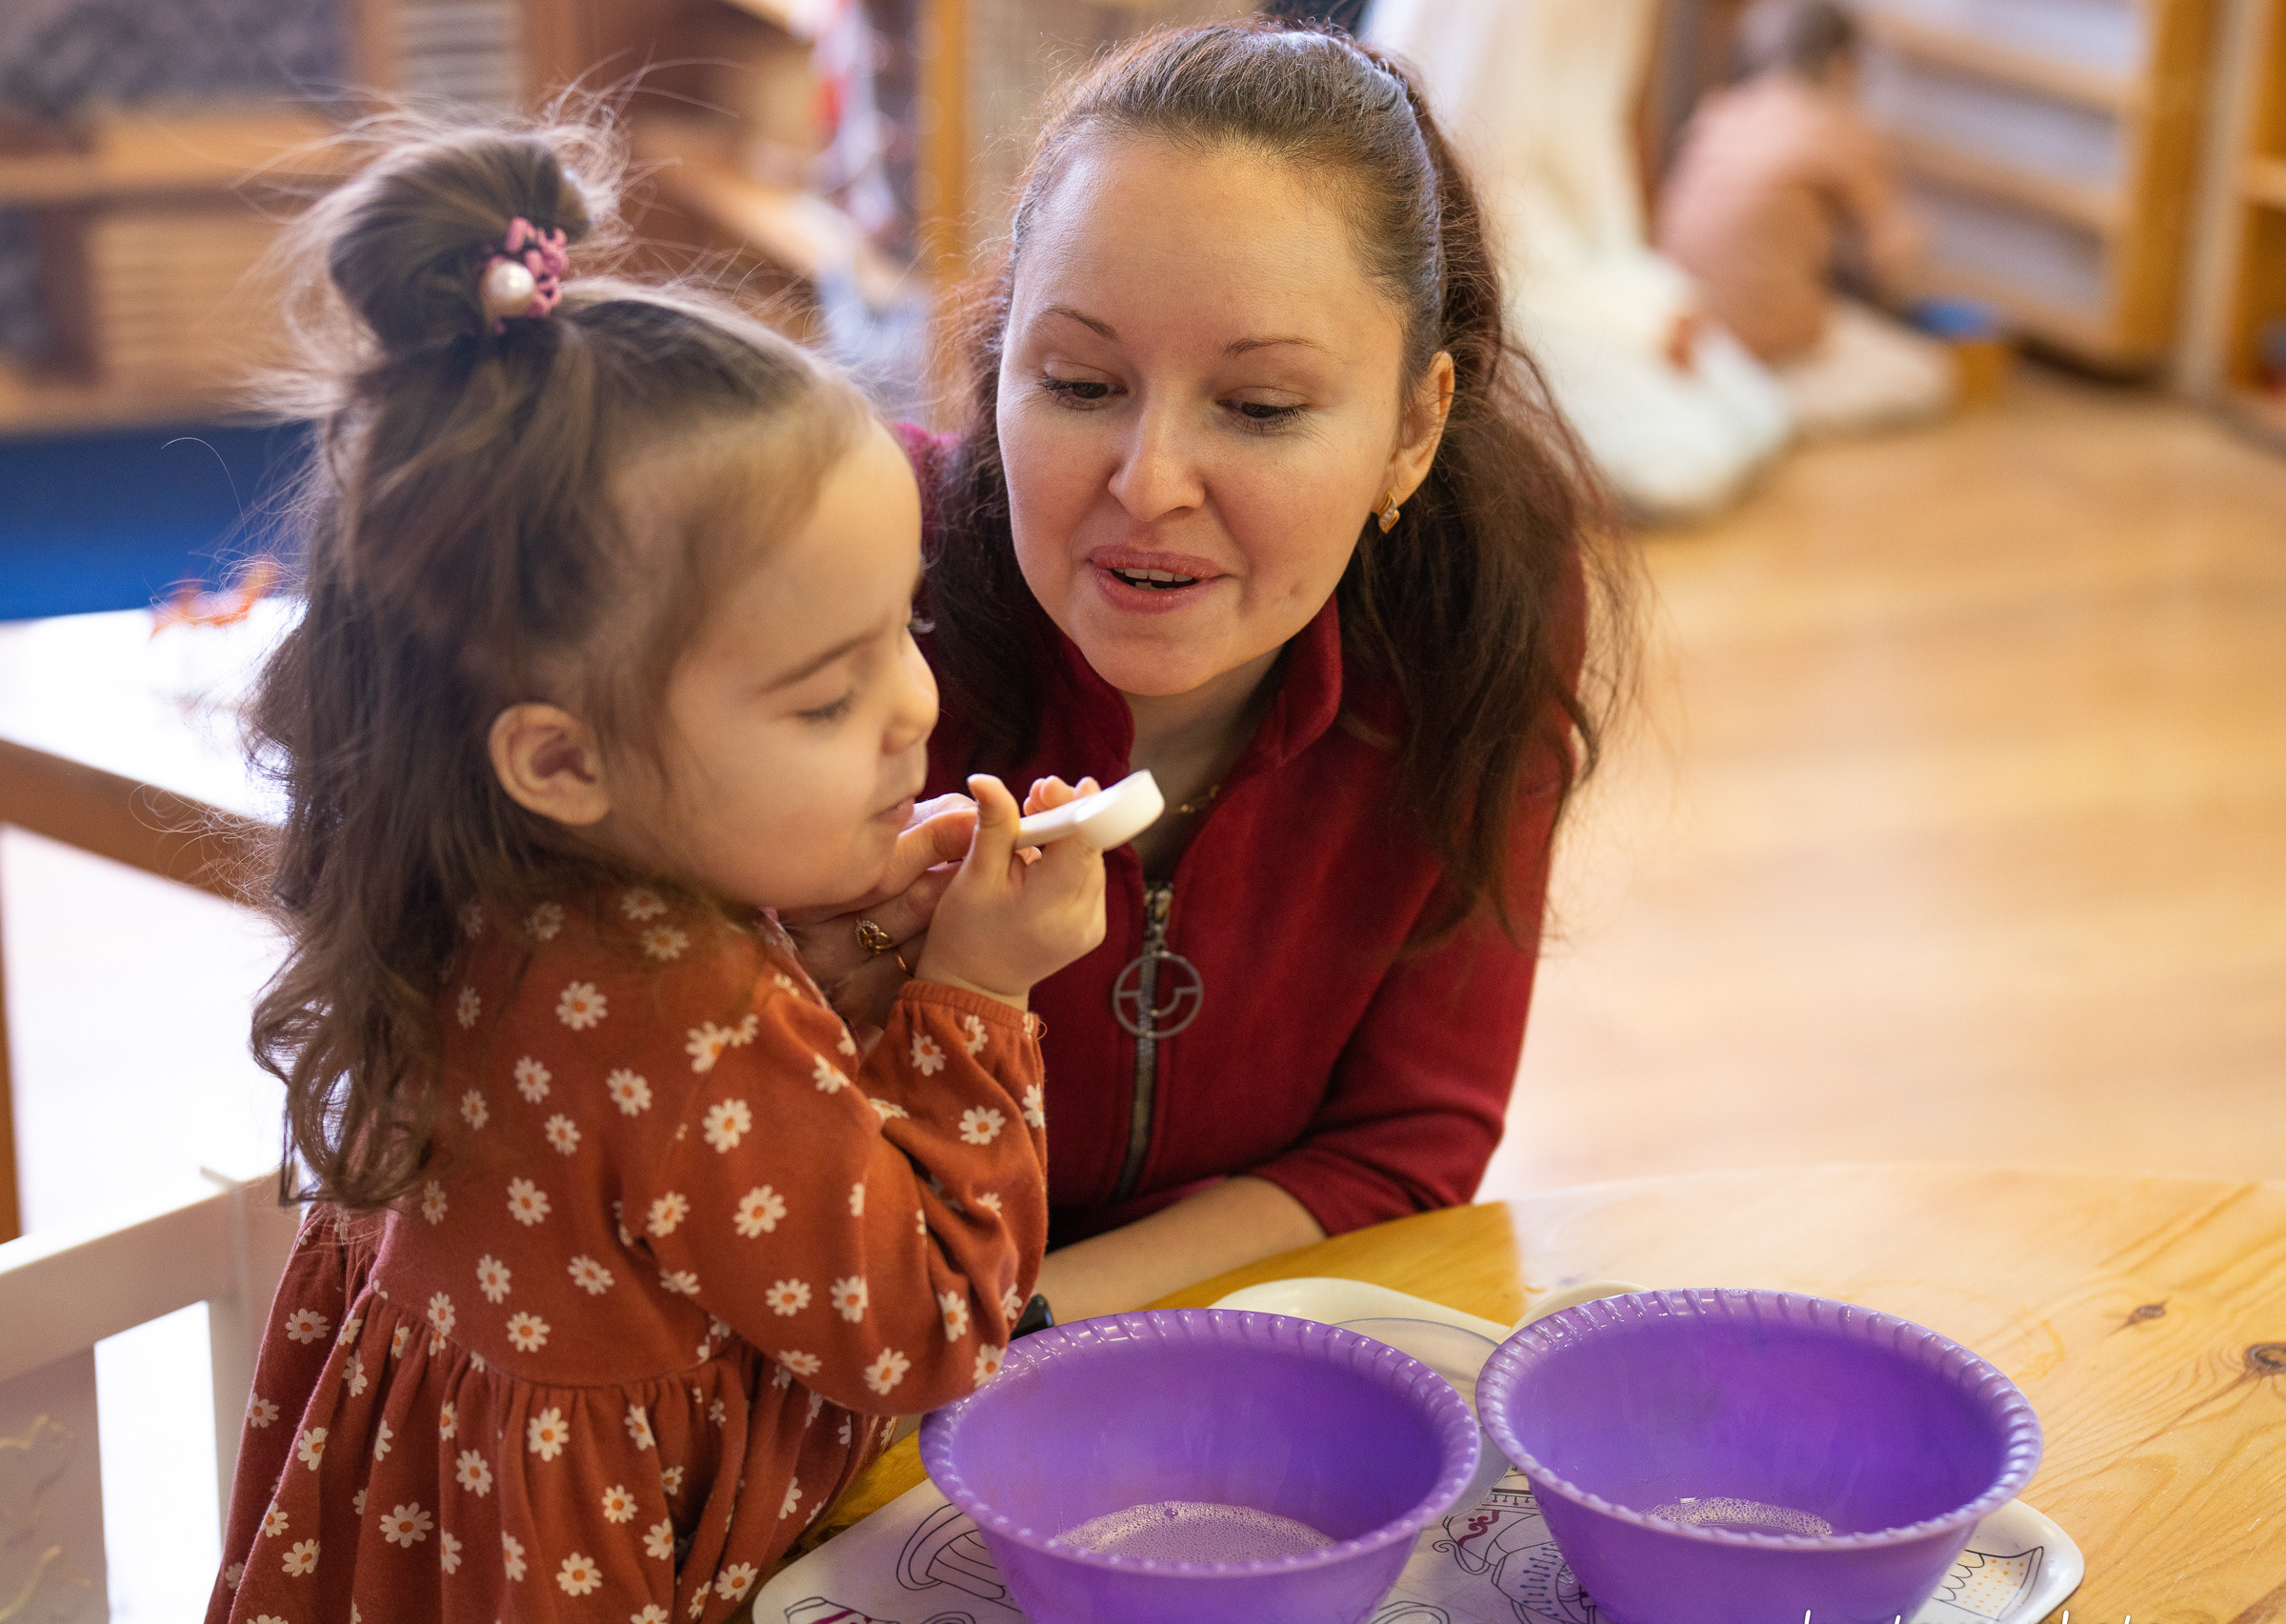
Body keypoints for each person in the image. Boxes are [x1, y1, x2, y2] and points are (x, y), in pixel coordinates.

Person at [177, 122, 1104, 1624]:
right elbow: (926, 1333)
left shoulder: (483, 876)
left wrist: (823, 953)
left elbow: (645, 1172)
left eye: (905, 628)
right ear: (562, 758)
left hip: (423, 1584)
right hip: (604, 1612)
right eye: (824, 697)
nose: (915, 708)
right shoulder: (683, 1003)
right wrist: (977, 994)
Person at [790, 21, 1634, 1324]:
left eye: (1259, 408)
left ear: (1414, 428)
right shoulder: (829, 585)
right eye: (1078, 383)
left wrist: (1027, 1331)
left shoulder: (1483, 615)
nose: (1149, 481)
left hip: (1076, 1353)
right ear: (1000, 362)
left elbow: (1401, 1146)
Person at [1366, 0, 1795, 519]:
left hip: (1571, 278)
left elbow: (1598, 182)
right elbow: (1480, 213)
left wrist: (1656, 299)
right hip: (1483, 282)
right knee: (1685, 464)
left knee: (1760, 416)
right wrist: (1634, 324)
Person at [1655, 0, 1957, 434]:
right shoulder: (1836, 127)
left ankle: (1728, 384)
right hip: (1770, 341)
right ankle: (1766, 405)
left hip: (1690, 316)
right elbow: (1896, 254)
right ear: (1842, 64)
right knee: (1928, 375)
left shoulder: (1723, 111)